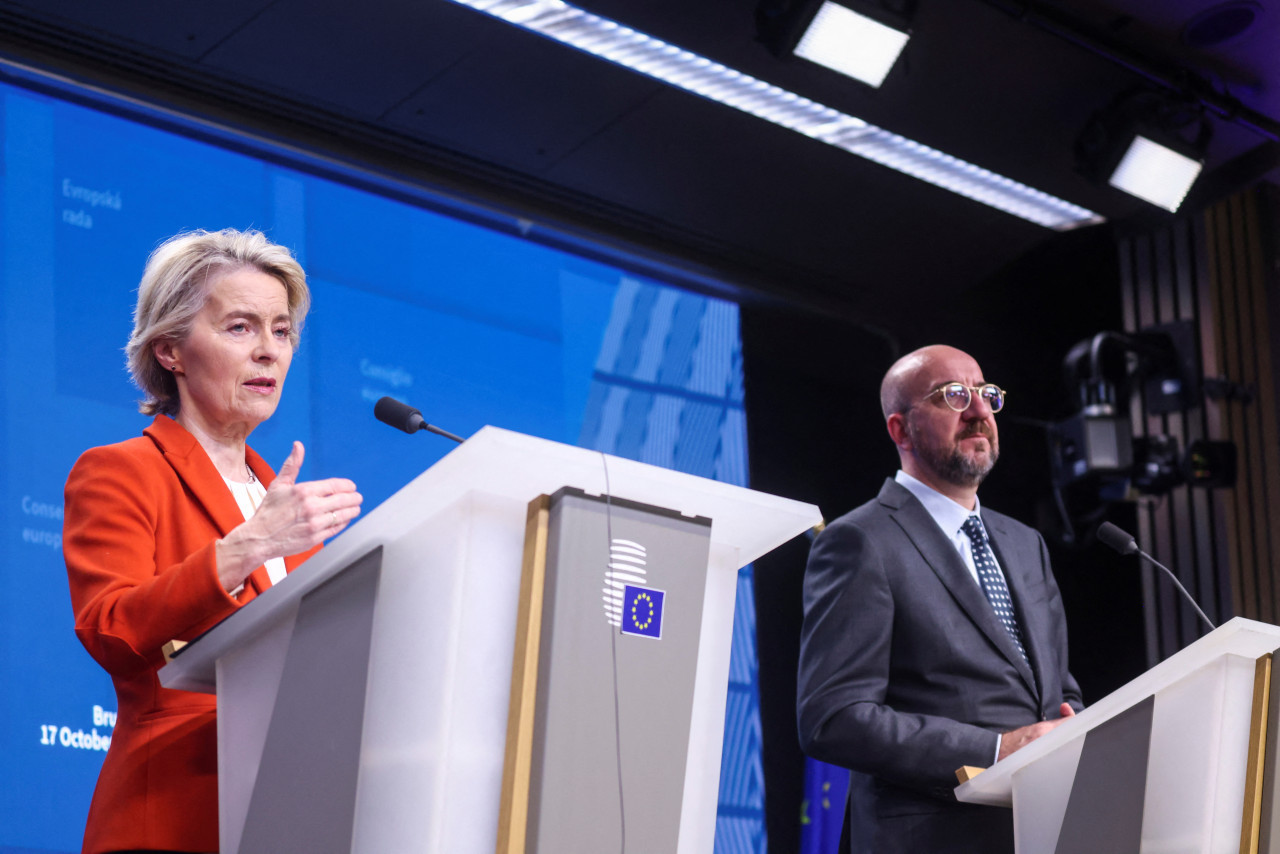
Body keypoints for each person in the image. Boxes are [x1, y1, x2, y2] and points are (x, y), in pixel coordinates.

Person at [63, 228, 363, 854]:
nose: (269, 353)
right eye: (240, 328)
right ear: (171, 350)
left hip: (291, 818)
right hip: (173, 816)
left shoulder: (288, 514)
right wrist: (244, 548)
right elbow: (110, 630)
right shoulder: (124, 470)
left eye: (281, 332)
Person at [796, 344, 1083, 854]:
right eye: (952, 396)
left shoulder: (1024, 543)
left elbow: (1057, 690)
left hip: (1043, 829)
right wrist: (996, 749)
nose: (978, 412)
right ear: (900, 429)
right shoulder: (861, 541)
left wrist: (1072, 728)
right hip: (932, 836)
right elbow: (833, 717)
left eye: (985, 394)